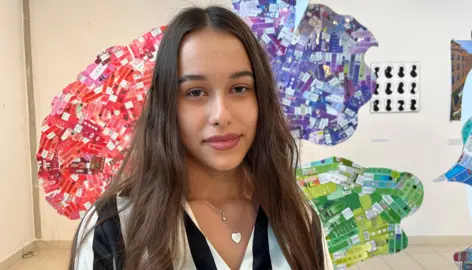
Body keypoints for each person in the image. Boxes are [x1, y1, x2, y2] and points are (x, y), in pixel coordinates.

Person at [69, 5, 333, 270]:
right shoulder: (115, 228)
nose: (221, 115)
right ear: (166, 104)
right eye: (195, 92)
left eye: (240, 88)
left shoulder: (297, 218)